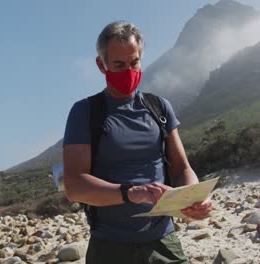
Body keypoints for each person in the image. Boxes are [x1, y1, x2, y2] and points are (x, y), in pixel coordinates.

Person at [62, 21, 212, 264]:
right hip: (110, 247)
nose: (128, 72)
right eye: (119, 65)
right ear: (101, 65)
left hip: (163, 241)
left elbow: (182, 167)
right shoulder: (86, 112)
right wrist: (131, 193)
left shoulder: (159, 107)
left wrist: (194, 197)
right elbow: (74, 185)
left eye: (134, 63)